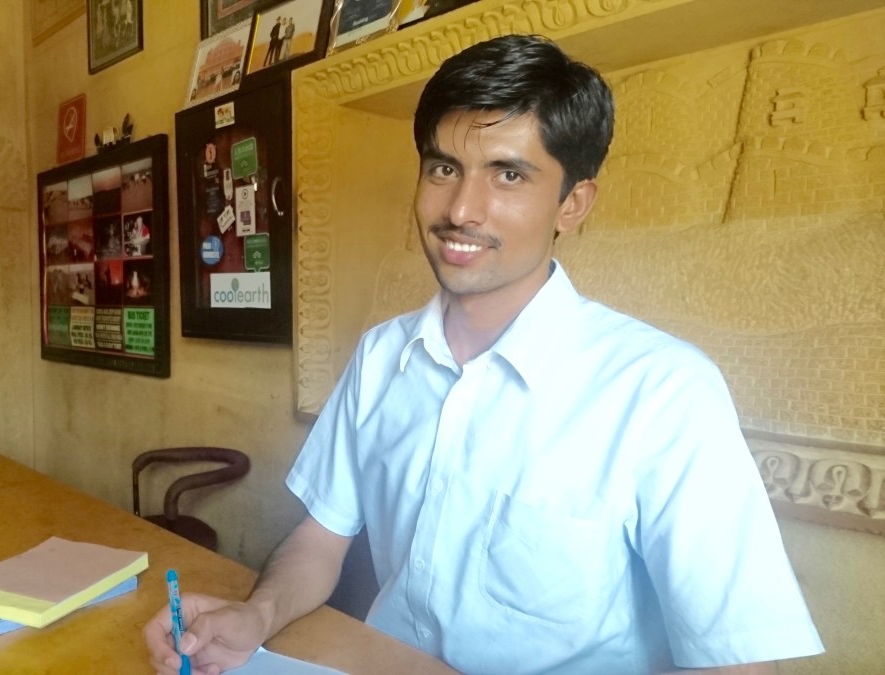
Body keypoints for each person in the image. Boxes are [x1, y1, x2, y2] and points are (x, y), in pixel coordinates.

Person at [145, 34, 824, 675]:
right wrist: (257, 615)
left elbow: (736, 660)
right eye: (444, 168)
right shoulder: (382, 356)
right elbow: (322, 538)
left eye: (508, 174)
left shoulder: (663, 392)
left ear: (572, 203)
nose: (461, 209)